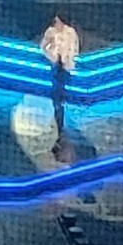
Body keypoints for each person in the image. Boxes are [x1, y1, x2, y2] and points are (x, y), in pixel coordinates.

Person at [41, 15, 80, 149]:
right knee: (56, 96)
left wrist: (70, 60)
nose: (56, 22)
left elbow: (75, 47)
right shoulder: (50, 32)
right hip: (55, 66)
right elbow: (43, 46)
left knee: (63, 95)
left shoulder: (70, 32)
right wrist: (52, 56)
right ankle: (57, 122)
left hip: (66, 66)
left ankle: (61, 123)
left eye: (58, 20)